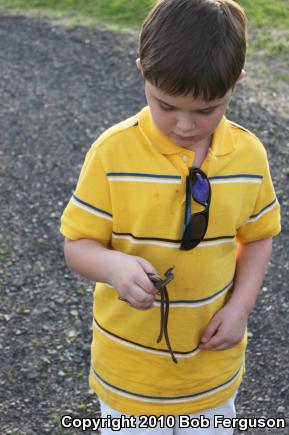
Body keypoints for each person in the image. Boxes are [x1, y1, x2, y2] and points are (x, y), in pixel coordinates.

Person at [60, 0, 281, 433]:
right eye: (167, 105)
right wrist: (115, 266)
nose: (184, 125)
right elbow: (77, 245)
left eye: (206, 110)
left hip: (211, 372)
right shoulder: (112, 153)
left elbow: (258, 237)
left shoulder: (249, 154)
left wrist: (240, 308)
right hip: (130, 377)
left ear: (237, 83)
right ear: (143, 70)